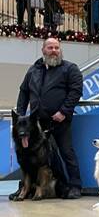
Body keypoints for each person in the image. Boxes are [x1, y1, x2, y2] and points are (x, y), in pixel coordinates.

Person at [16, 38, 83, 199]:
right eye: (50, 47)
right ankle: (26, 188)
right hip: (37, 125)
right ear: (43, 50)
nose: (54, 50)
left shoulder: (70, 68)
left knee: (67, 153)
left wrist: (63, 112)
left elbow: (76, 91)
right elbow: (24, 92)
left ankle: (75, 187)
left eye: (57, 48)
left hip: (60, 121)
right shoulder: (33, 70)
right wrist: (20, 116)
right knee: (31, 158)